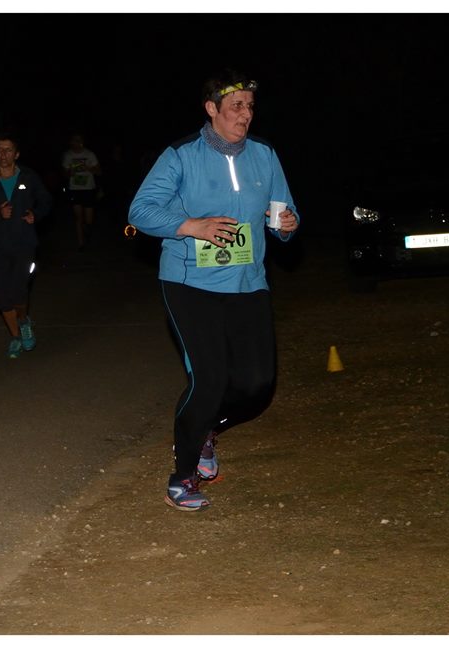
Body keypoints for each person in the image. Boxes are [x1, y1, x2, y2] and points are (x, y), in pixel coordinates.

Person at [128, 71, 300, 511]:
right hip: (190, 283)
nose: (245, 114)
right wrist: (190, 226)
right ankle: (183, 476)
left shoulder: (264, 155)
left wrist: (286, 225)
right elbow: (141, 211)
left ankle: (206, 429)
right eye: (236, 106)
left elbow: (282, 210)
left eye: (249, 106)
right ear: (212, 110)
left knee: (259, 384)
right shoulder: (182, 155)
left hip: (249, 282)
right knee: (210, 380)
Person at [0, 134, 52, 359]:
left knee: (18, 290)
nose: (3, 154)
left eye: (8, 150)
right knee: (1, 295)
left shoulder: (28, 176)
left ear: (16, 154)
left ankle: (24, 320)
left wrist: (35, 214)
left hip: (24, 242)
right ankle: (16, 336)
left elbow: (46, 201)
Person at [61, 133, 101, 250]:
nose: (77, 143)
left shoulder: (90, 154)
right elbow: (64, 173)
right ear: (71, 142)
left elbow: (99, 171)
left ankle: (86, 230)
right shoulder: (68, 155)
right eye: (75, 140)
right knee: (78, 218)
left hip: (88, 189)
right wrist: (70, 173)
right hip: (75, 189)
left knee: (88, 220)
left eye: (79, 140)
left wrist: (89, 168)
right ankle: (81, 244)